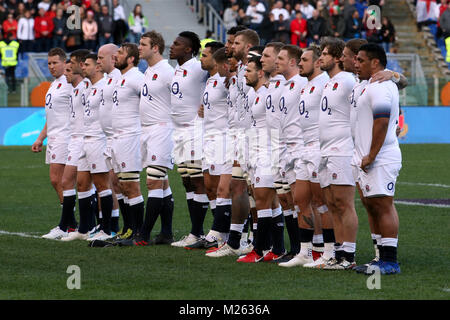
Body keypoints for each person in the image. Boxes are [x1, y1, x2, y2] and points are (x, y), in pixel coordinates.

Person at [121, 31, 176, 246]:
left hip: (162, 129)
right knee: (162, 184)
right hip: (147, 130)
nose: (139, 47)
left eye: (143, 44)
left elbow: (180, 96)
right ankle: (166, 233)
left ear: (156, 48)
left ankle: (143, 234)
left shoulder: (166, 71)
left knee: (153, 181)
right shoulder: (149, 71)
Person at [279, 45, 332, 268]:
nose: (300, 63)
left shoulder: (326, 83)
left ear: (318, 62)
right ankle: (306, 251)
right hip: (302, 149)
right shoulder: (307, 85)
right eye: (299, 59)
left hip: (319, 149)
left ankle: (328, 250)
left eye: (305, 60)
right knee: (300, 200)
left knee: (321, 202)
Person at [354, 43, 402, 275]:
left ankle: (390, 261)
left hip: (380, 157)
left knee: (383, 206)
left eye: (360, 60)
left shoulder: (381, 86)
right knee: (373, 205)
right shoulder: (367, 85)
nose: (356, 64)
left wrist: (371, 155)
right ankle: (381, 257)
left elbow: (381, 121)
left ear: (375, 63)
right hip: (369, 158)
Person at [187, 42, 234, 250]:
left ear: (216, 60)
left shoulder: (227, 81)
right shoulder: (211, 81)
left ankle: (222, 232)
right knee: (210, 187)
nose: (201, 59)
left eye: (204, 56)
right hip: (209, 137)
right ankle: (220, 232)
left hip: (223, 139)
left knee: (222, 188)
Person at [316, 38, 358, 270]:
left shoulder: (348, 81)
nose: (320, 57)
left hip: (342, 149)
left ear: (338, 57)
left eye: (324, 54)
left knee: (344, 204)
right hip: (325, 149)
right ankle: (339, 252)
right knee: (331, 203)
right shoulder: (330, 82)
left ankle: (349, 256)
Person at [168, 31, 209, 248]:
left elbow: (217, 75)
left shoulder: (197, 67)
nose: (171, 46)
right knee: (186, 180)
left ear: (188, 49)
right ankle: (196, 232)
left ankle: (198, 233)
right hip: (179, 131)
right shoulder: (177, 69)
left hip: (195, 128)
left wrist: (206, 104)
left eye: (176, 44)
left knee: (197, 179)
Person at [259, 41, 298, 263]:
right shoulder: (272, 84)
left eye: (267, 56)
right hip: (274, 146)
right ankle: (292, 249)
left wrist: (393, 76)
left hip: (290, 147)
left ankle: (310, 247)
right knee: (284, 199)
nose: (262, 59)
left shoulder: (295, 82)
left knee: (297, 200)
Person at [32, 48, 72, 239]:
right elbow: (51, 116)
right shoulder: (53, 85)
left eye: (55, 62)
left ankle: (68, 224)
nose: (51, 66)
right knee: (59, 181)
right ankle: (70, 223)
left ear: (65, 63)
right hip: (54, 138)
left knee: (60, 180)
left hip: (66, 137)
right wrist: (41, 138)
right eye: (49, 63)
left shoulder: (69, 84)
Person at [111, 43, 146, 240]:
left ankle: (138, 231)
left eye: (121, 53)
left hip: (130, 136)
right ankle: (128, 229)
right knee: (121, 185)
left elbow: (150, 100)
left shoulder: (137, 78)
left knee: (131, 185)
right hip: (118, 137)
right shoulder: (121, 78)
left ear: (131, 59)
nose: (116, 56)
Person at [56, 50, 91, 241]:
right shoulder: (75, 88)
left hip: (86, 138)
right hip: (75, 138)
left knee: (71, 181)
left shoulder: (86, 86)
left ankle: (70, 226)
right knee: (79, 183)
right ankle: (78, 226)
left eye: (70, 68)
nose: (66, 73)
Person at [97, 43, 125, 238]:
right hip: (109, 137)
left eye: (101, 57)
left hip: (122, 136)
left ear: (113, 57)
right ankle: (116, 227)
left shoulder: (121, 77)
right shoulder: (107, 79)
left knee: (122, 183)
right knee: (115, 184)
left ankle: (129, 227)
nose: (98, 61)